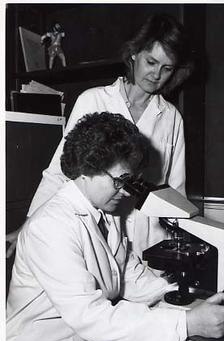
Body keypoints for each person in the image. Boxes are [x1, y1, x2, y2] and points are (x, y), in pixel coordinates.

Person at [6, 112, 224, 341]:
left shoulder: (107, 213)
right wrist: (187, 324)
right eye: (120, 181)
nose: (127, 192)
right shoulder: (51, 227)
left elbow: (130, 277)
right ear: (86, 168)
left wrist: (184, 298)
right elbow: (90, 316)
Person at [6, 13, 193, 259]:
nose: (156, 74)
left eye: (166, 68)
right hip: (95, 233)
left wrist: (177, 252)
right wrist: (27, 227)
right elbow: (59, 173)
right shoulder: (92, 100)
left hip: (148, 240)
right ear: (135, 53)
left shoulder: (171, 118)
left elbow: (175, 193)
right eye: (151, 62)